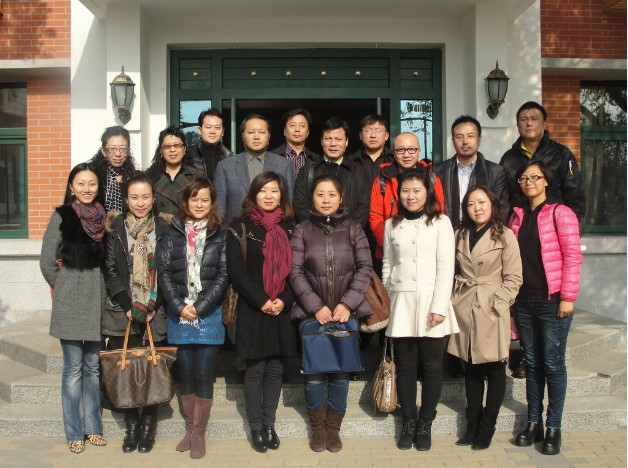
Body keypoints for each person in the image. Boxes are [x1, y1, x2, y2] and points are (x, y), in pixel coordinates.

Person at [289, 175, 373, 453]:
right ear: (311, 198)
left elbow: (365, 268)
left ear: (341, 198)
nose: (326, 200)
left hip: (344, 313)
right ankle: (318, 427)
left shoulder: (354, 229)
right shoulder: (302, 230)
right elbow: (294, 271)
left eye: (331, 194)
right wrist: (316, 306)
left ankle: (334, 428)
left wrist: (347, 304)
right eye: (320, 194)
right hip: (312, 313)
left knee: (340, 374)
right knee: (314, 374)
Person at [381, 169, 458, 452]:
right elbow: (388, 264)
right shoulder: (391, 225)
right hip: (401, 303)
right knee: (405, 367)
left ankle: (426, 423)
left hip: (431, 303)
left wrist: (439, 306)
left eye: (416, 190)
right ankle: (408, 421)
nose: (410, 196)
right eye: (405, 191)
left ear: (427, 193)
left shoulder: (441, 222)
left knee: (432, 366)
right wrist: (389, 299)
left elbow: (446, 267)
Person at [509, 160, 582, 456]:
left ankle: (553, 427)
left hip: (553, 301)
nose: (529, 182)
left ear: (546, 181)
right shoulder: (517, 216)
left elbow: (573, 255)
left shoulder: (560, 213)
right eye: (524, 178)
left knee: (553, 364)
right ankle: (533, 423)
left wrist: (568, 296)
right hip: (525, 301)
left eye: (534, 177)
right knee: (533, 363)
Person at [157, 177, 228, 459]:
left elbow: (223, 275)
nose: (199, 204)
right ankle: (189, 427)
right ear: (186, 202)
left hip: (208, 314)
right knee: (185, 373)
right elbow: (163, 272)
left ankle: (199, 432)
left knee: (203, 373)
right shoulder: (172, 233)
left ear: (212, 203)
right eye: (194, 199)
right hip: (180, 315)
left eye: (204, 199)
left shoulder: (221, 233)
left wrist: (200, 306)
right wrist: (179, 306)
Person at [447, 186, 523, 450]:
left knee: (494, 367)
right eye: (471, 204)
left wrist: (499, 303)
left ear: (492, 204)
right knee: (471, 366)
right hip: (465, 304)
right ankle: (472, 425)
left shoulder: (505, 235)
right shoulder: (460, 234)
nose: (477, 208)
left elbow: (514, 276)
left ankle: (487, 427)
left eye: (481, 202)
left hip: (491, 306)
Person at [226, 172, 297, 453]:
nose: (269, 196)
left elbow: (296, 271)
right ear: (254, 194)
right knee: (255, 370)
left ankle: (269, 424)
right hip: (253, 306)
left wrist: (284, 300)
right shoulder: (240, 227)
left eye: (274, 191)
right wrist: (261, 300)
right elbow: (236, 270)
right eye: (263, 190)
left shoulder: (290, 228)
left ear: (282, 196)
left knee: (276, 369)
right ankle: (256, 427)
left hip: (281, 307)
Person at [39, 162, 107, 454]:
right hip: (70, 301)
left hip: (96, 298)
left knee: (92, 367)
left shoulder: (104, 216)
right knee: (73, 369)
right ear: (71, 187)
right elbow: (46, 261)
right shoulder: (62, 216)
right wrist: (64, 285)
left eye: (92, 183)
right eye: (81, 184)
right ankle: (74, 432)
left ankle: (93, 428)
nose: (87, 189)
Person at [102, 171, 169, 454]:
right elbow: (110, 270)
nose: (140, 203)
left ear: (153, 199)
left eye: (145, 197)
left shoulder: (164, 228)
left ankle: (149, 427)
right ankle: (132, 427)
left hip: (156, 310)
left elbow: (167, 269)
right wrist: (129, 305)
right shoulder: (116, 228)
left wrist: (152, 305)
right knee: (126, 369)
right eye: (134, 197)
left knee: (153, 368)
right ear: (126, 200)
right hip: (123, 310)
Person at [500, 101, 586, 228]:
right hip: (519, 229)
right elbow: (502, 200)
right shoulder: (508, 159)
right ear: (517, 125)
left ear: (544, 123)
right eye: (523, 119)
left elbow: (575, 196)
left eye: (534, 119)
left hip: (554, 228)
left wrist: (573, 230)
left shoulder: (561, 154)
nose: (529, 123)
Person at [370, 132, 445, 262]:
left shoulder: (431, 178)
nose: (406, 155)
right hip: (390, 251)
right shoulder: (383, 178)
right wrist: (389, 244)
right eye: (401, 150)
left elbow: (439, 213)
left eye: (411, 149)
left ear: (419, 151)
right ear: (394, 153)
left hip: (425, 251)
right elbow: (376, 216)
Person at [215, 113, 295, 226]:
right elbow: (219, 210)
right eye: (251, 132)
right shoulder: (225, 166)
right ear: (242, 136)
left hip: (274, 231)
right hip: (237, 232)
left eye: (262, 132)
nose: (256, 137)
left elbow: (288, 205)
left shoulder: (284, 165)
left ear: (268, 136)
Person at [434, 115, 508, 230]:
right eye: (459, 137)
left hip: (483, 235)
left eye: (470, 136)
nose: (465, 141)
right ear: (453, 141)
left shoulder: (495, 172)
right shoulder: (438, 171)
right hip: (446, 233)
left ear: (479, 139)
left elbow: (500, 209)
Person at [293, 117, 370, 227]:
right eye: (328, 139)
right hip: (313, 234)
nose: (333, 144)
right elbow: (300, 205)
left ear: (346, 142)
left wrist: (344, 232)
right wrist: (318, 230)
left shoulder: (359, 172)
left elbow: (363, 208)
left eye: (338, 139)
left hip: (348, 235)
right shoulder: (307, 170)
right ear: (321, 141)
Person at [146, 125, 203, 216]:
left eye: (177, 145)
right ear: (161, 151)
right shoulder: (150, 178)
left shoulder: (197, 176)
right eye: (167, 146)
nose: (172, 150)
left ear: (184, 149)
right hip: (159, 225)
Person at [89, 126, 137, 212]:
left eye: (123, 149)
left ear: (128, 151)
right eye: (112, 149)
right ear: (103, 151)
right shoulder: (93, 175)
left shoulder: (133, 178)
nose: (118, 154)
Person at [270, 108, 320, 177]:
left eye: (302, 126)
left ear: (308, 132)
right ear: (284, 131)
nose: (297, 129)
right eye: (292, 125)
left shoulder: (317, 160)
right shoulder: (271, 157)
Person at [190, 108, 233, 180]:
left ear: (222, 132)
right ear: (200, 130)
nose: (212, 131)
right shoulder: (189, 156)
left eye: (217, 127)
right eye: (208, 127)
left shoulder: (230, 158)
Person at [350, 114, 395, 181]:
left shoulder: (395, 159)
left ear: (386, 136)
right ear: (361, 135)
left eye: (378, 131)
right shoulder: (351, 161)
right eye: (368, 131)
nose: (373, 135)